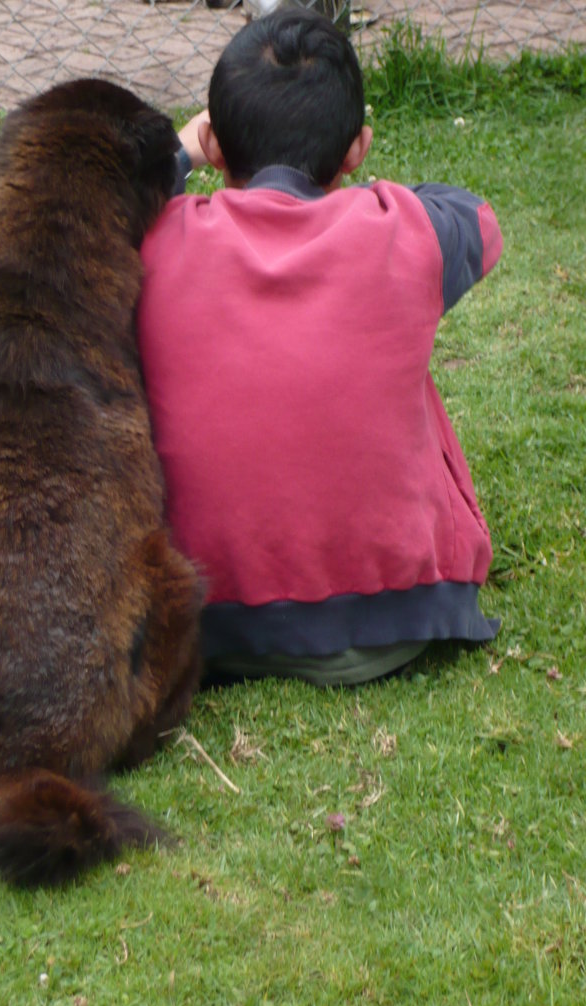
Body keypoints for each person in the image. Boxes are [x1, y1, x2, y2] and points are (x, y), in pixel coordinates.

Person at [136, 7, 503, 687]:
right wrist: (362, 198)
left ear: (215, 145)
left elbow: (106, 194)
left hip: (198, 627)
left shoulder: (157, 238)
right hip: (401, 622)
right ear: (358, 148)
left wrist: (176, 154)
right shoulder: (400, 229)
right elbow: (475, 215)